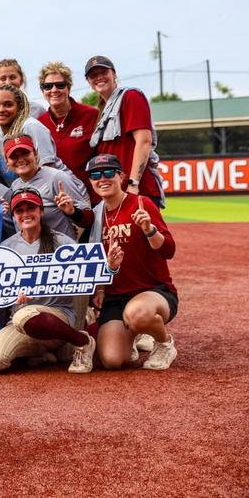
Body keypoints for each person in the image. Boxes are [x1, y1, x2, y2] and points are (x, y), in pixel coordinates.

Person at [0, 188, 96, 374]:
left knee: (24, 315)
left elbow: (86, 277)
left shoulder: (62, 242)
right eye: (20, 211)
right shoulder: (5, 247)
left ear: (41, 211)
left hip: (59, 316)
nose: (26, 214)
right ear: (13, 215)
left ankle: (82, 340)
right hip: (20, 323)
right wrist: (10, 298)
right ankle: (43, 353)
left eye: (31, 208)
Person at [87, 154, 178, 370]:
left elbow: (168, 250)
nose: (103, 179)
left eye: (109, 172)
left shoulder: (141, 203)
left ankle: (165, 343)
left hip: (153, 291)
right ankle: (132, 337)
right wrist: (99, 289)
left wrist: (149, 230)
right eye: (95, 175)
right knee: (111, 360)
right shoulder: (96, 215)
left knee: (137, 314)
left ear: (122, 176)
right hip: (116, 298)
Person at [84, 55, 165, 207]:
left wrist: (133, 184)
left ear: (114, 74)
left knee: (147, 231)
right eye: (93, 75)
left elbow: (144, 141)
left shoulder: (131, 96)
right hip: (116, 193)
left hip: (136, 190)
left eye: (104, 72)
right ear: (88, 81)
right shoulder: (103, 110)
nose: (99, 77)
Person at [5, 135, 92, 240]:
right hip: (31, 252)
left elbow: (89, 219)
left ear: (35, 154)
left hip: (61, 251)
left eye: (25, 153)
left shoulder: (56, 177)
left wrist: (73, 212)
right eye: (14, 156)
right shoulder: (15, 185)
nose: (20, 160)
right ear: (7, 161)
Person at [36, 62, 100, 205]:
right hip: (56, 201)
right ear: (42, 91)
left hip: (91, 198)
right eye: (48, 86)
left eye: (60, 85)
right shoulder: (39, 124)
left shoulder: (91, 115)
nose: (54, 90)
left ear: (69, 87)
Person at [0, 85, 72, 184]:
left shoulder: (31, 126)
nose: (1, 109)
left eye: (8, 105)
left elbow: (48, 169)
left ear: (19, 107)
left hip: (61, 191)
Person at [0, 59, 47, 129]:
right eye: (3, 78)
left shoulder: (37, 110)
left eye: (12, 77)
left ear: (21, 80)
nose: (8, 82)